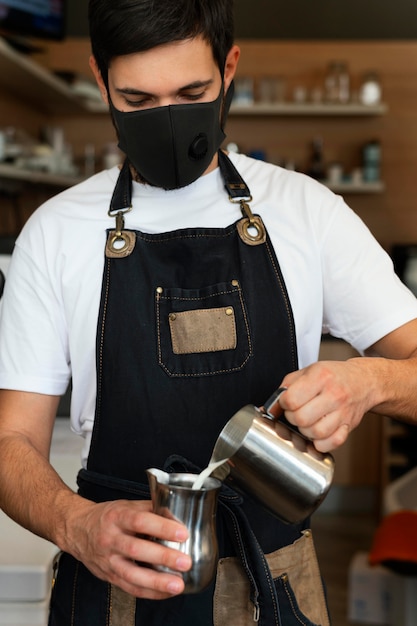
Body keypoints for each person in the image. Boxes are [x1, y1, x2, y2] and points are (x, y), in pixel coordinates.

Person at [0, 1, 417, 624]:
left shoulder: (308, 212)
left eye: (191, 92)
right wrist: (76, 524)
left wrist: (371, 381)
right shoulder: (55, 232)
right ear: (99, 78)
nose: (166, 121)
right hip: (112, 590)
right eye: (137, 101)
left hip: (275, 585)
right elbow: (11, 439)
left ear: (229, 69)